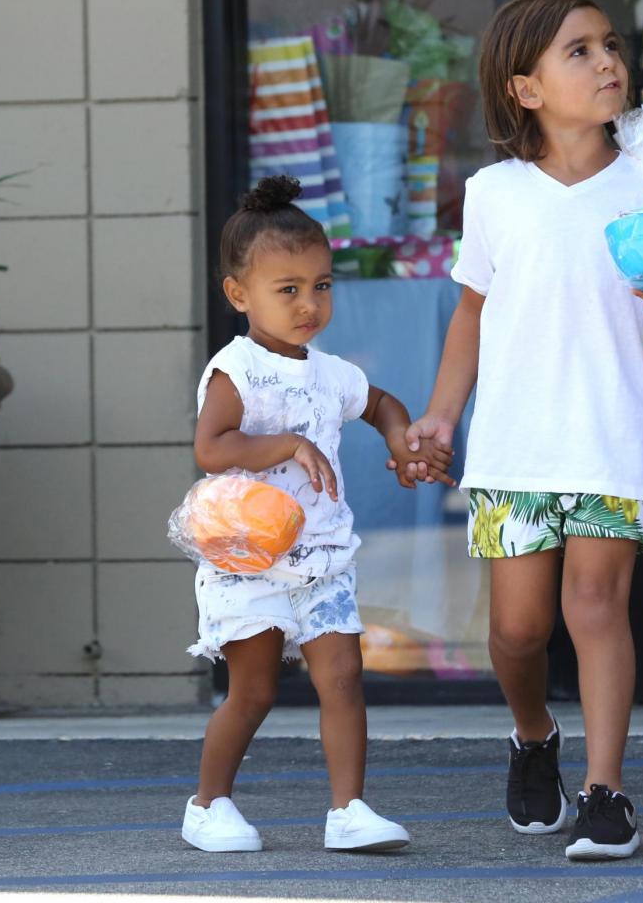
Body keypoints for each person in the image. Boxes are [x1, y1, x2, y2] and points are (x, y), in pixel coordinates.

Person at [398, 0, 643, 861]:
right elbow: (472, 314)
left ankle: (607, 791)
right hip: (516, 446)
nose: (609, 61)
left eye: (611, 45)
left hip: (615, 437)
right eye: (580, 51)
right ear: (525, 88)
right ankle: (534, 734)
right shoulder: (494, 193)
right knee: (517, 631)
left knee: (596, 607)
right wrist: (441, 415)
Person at [180, 174, 453, 855]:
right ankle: (208, 805)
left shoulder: (331, 373)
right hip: (249, 562)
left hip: (323, 560)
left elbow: (380, 403)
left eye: (321, 285)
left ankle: (348, 810)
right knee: (253, 692)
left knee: (343, 679)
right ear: (239, 295)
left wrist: (400, 441)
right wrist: (286, 444)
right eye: (288, 289)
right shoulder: (236, 371)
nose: (309, 304)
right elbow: (212, 447)